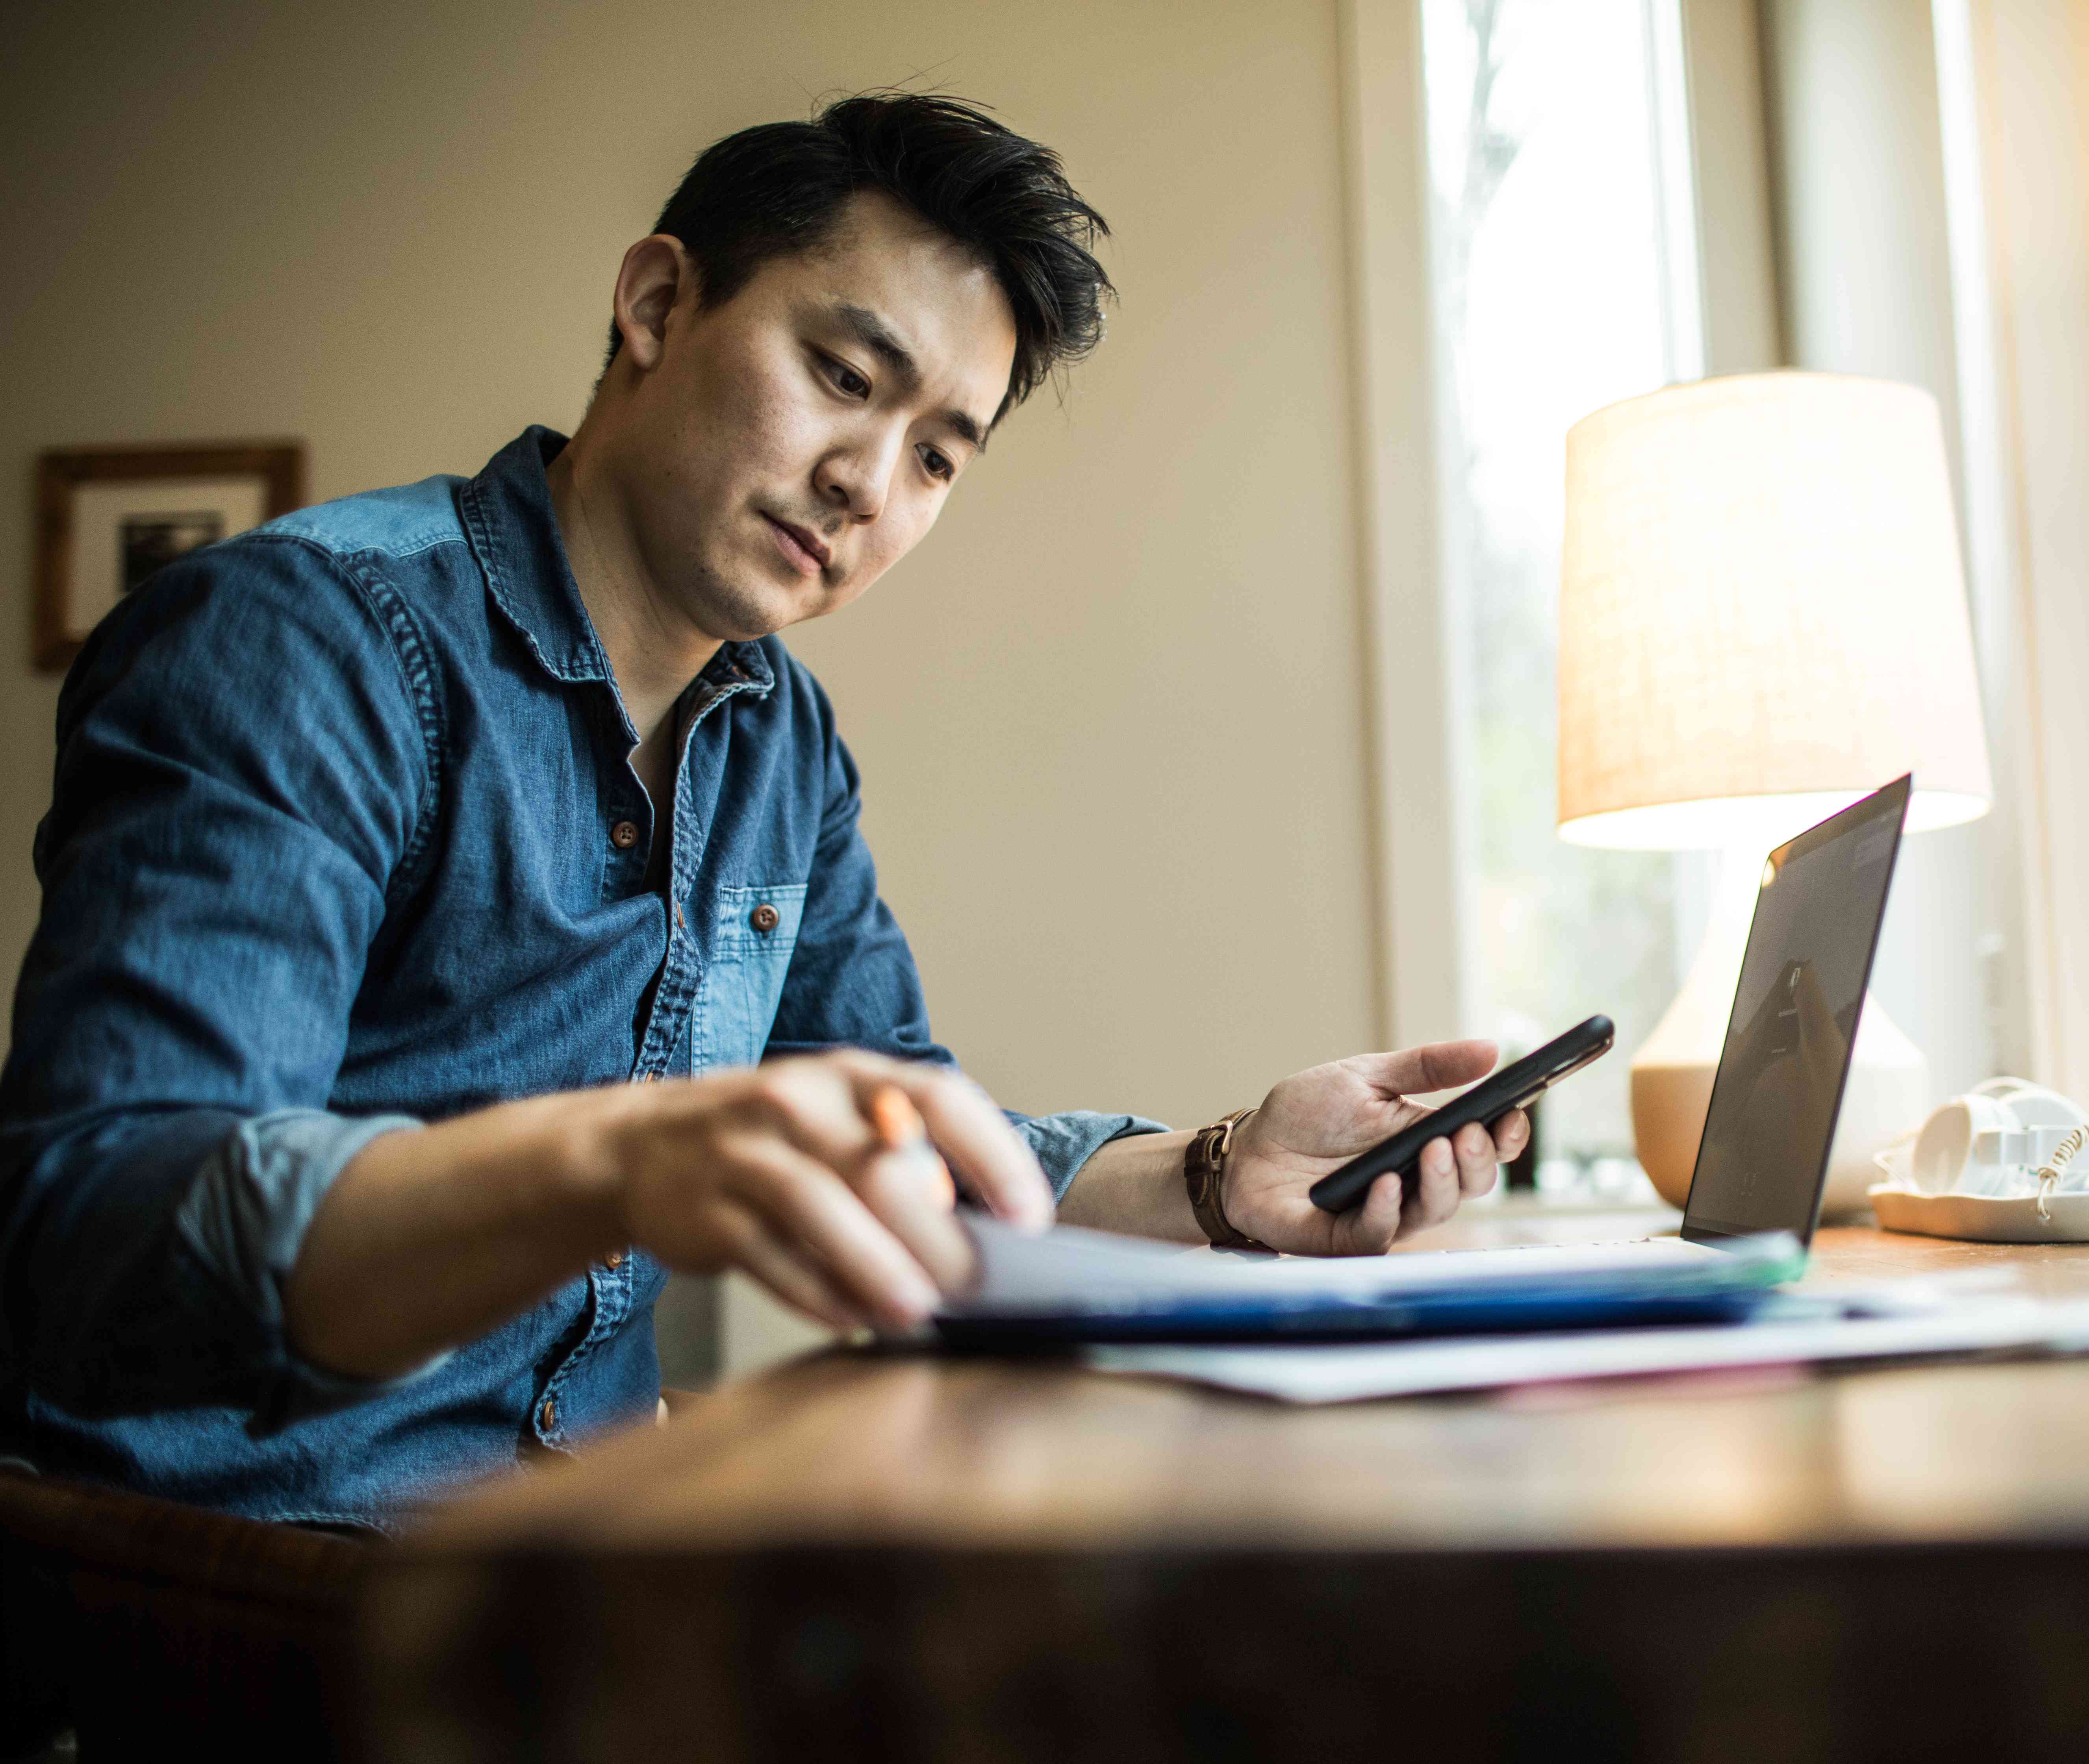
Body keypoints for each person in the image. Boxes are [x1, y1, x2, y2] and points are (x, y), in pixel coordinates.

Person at [0, 93, 1527, 1529]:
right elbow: (100, 1243)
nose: (870, 481)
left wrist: (1226, 1172)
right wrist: (608, 1162)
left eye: (939, 453)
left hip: (577, 1562)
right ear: (659, 304)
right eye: (844, 379)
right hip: (229, 1582)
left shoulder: (779, 738)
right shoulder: (303, 642)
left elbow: (904, 1134)